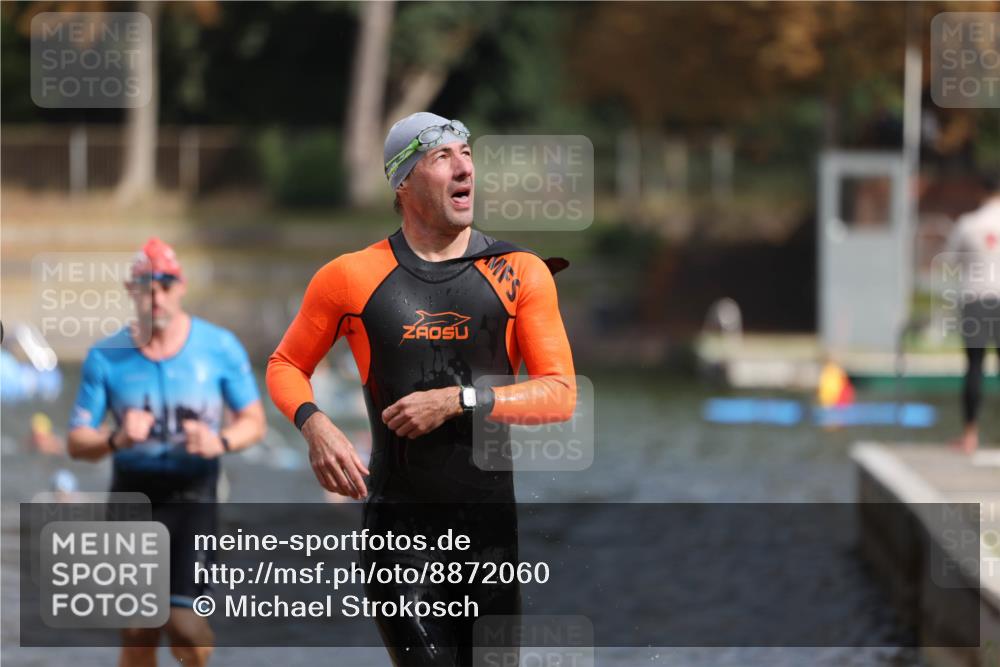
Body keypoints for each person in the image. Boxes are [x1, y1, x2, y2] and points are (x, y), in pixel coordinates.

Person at [266, 112, 576, 666]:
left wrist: (462, 399)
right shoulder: (351, 277)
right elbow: (286, 363)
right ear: (403, 183)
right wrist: (314, 423)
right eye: (443, 158)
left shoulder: (518, 271)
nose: (465, 168)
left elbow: (560, 393)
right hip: (397, 530)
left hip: (489, 540)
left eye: (468, 154)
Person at [67, 237, 266, 667]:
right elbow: (76, 441)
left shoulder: (218, 347)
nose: (155, 295)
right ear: (131, 291)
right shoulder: (106, 356)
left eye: (164, 284)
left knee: (184, 623)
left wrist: (221, 441)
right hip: (132, 498)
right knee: (139, 629)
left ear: (181, 287)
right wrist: (115, 440)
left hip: (194, 496)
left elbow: (254, 421)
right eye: (145, 286)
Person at [946, 181, 1000, 454]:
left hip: (976, 299)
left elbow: (953, 261)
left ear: (981, 192)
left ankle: (970, 435)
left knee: (975, 367)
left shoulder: (968, 224)